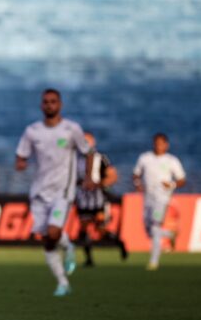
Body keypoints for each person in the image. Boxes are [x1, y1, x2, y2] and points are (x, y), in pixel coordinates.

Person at [15, 89, 93, 297]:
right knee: (48, 240)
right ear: (42, 106)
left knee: (53, 232)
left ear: (60, 105)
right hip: (39, 192)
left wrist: (89, 177)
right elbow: (21, 155)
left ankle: (65, 243)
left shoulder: (71, 129)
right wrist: (21, 163)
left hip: (63, 191)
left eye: (53, 102)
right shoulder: (32, 131)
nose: (49, 105)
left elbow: (88, 152)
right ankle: (63, 281)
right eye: (46, 102)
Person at [133, 133, 185, 270]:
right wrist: (137, 183)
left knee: (155, 227)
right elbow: (136, 174)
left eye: (161, 143)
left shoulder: (171, 160)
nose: (158, 146)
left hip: (162, 199)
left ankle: (154, 261)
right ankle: (169, 234)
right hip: (148, 197)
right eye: (156, 143)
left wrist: (172, 185)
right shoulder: (145, 158)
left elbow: (181, 179)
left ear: (166, 145)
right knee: (148, 230)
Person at [74, 132, 128, 267]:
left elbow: (113, 176)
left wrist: (97, 184)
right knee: (84, 229)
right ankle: (89, 259)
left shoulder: (101, 159)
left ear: (93, 143)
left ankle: (120, 244)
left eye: (87, 142)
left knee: (101, 229)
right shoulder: (75, 159)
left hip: (98, 200)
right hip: (83, 200)